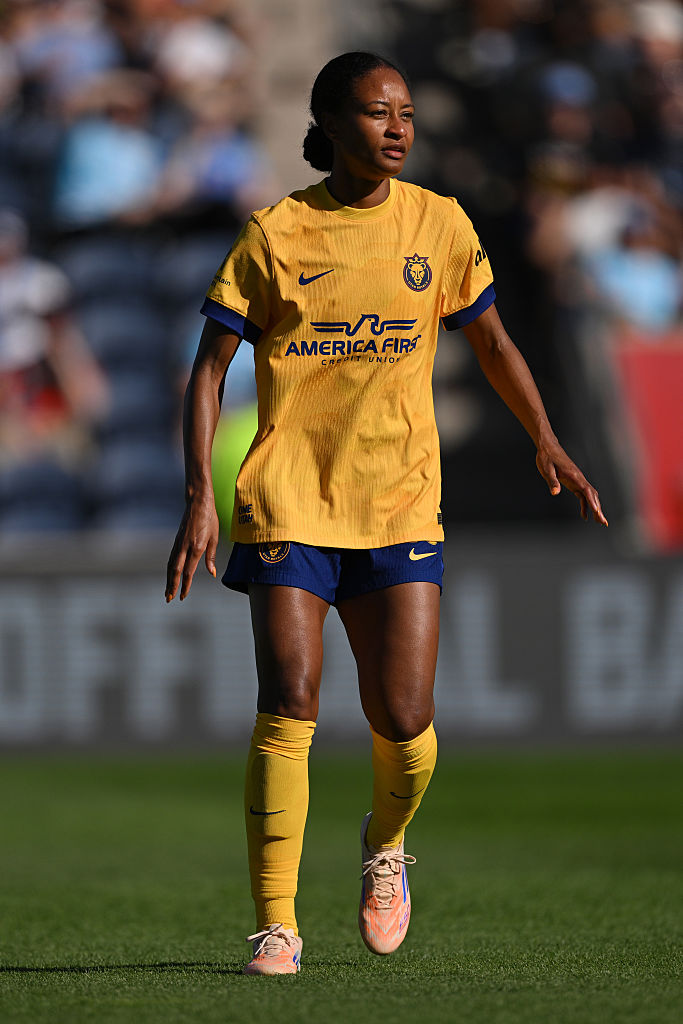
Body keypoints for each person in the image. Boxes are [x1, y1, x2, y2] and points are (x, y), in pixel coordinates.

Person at [165, 51, 608, 976]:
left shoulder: (438, 224)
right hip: (290, 498)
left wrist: (546, 436)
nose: (398, 127)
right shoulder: (275, 233)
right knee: (289, 700)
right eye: (376, 113)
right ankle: (276, 926)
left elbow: (489, 339)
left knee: (403, 720)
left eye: (405, 111)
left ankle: (385, 844)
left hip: (400, 496)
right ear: (329, 125)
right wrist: (202, 495)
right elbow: (209, 371)